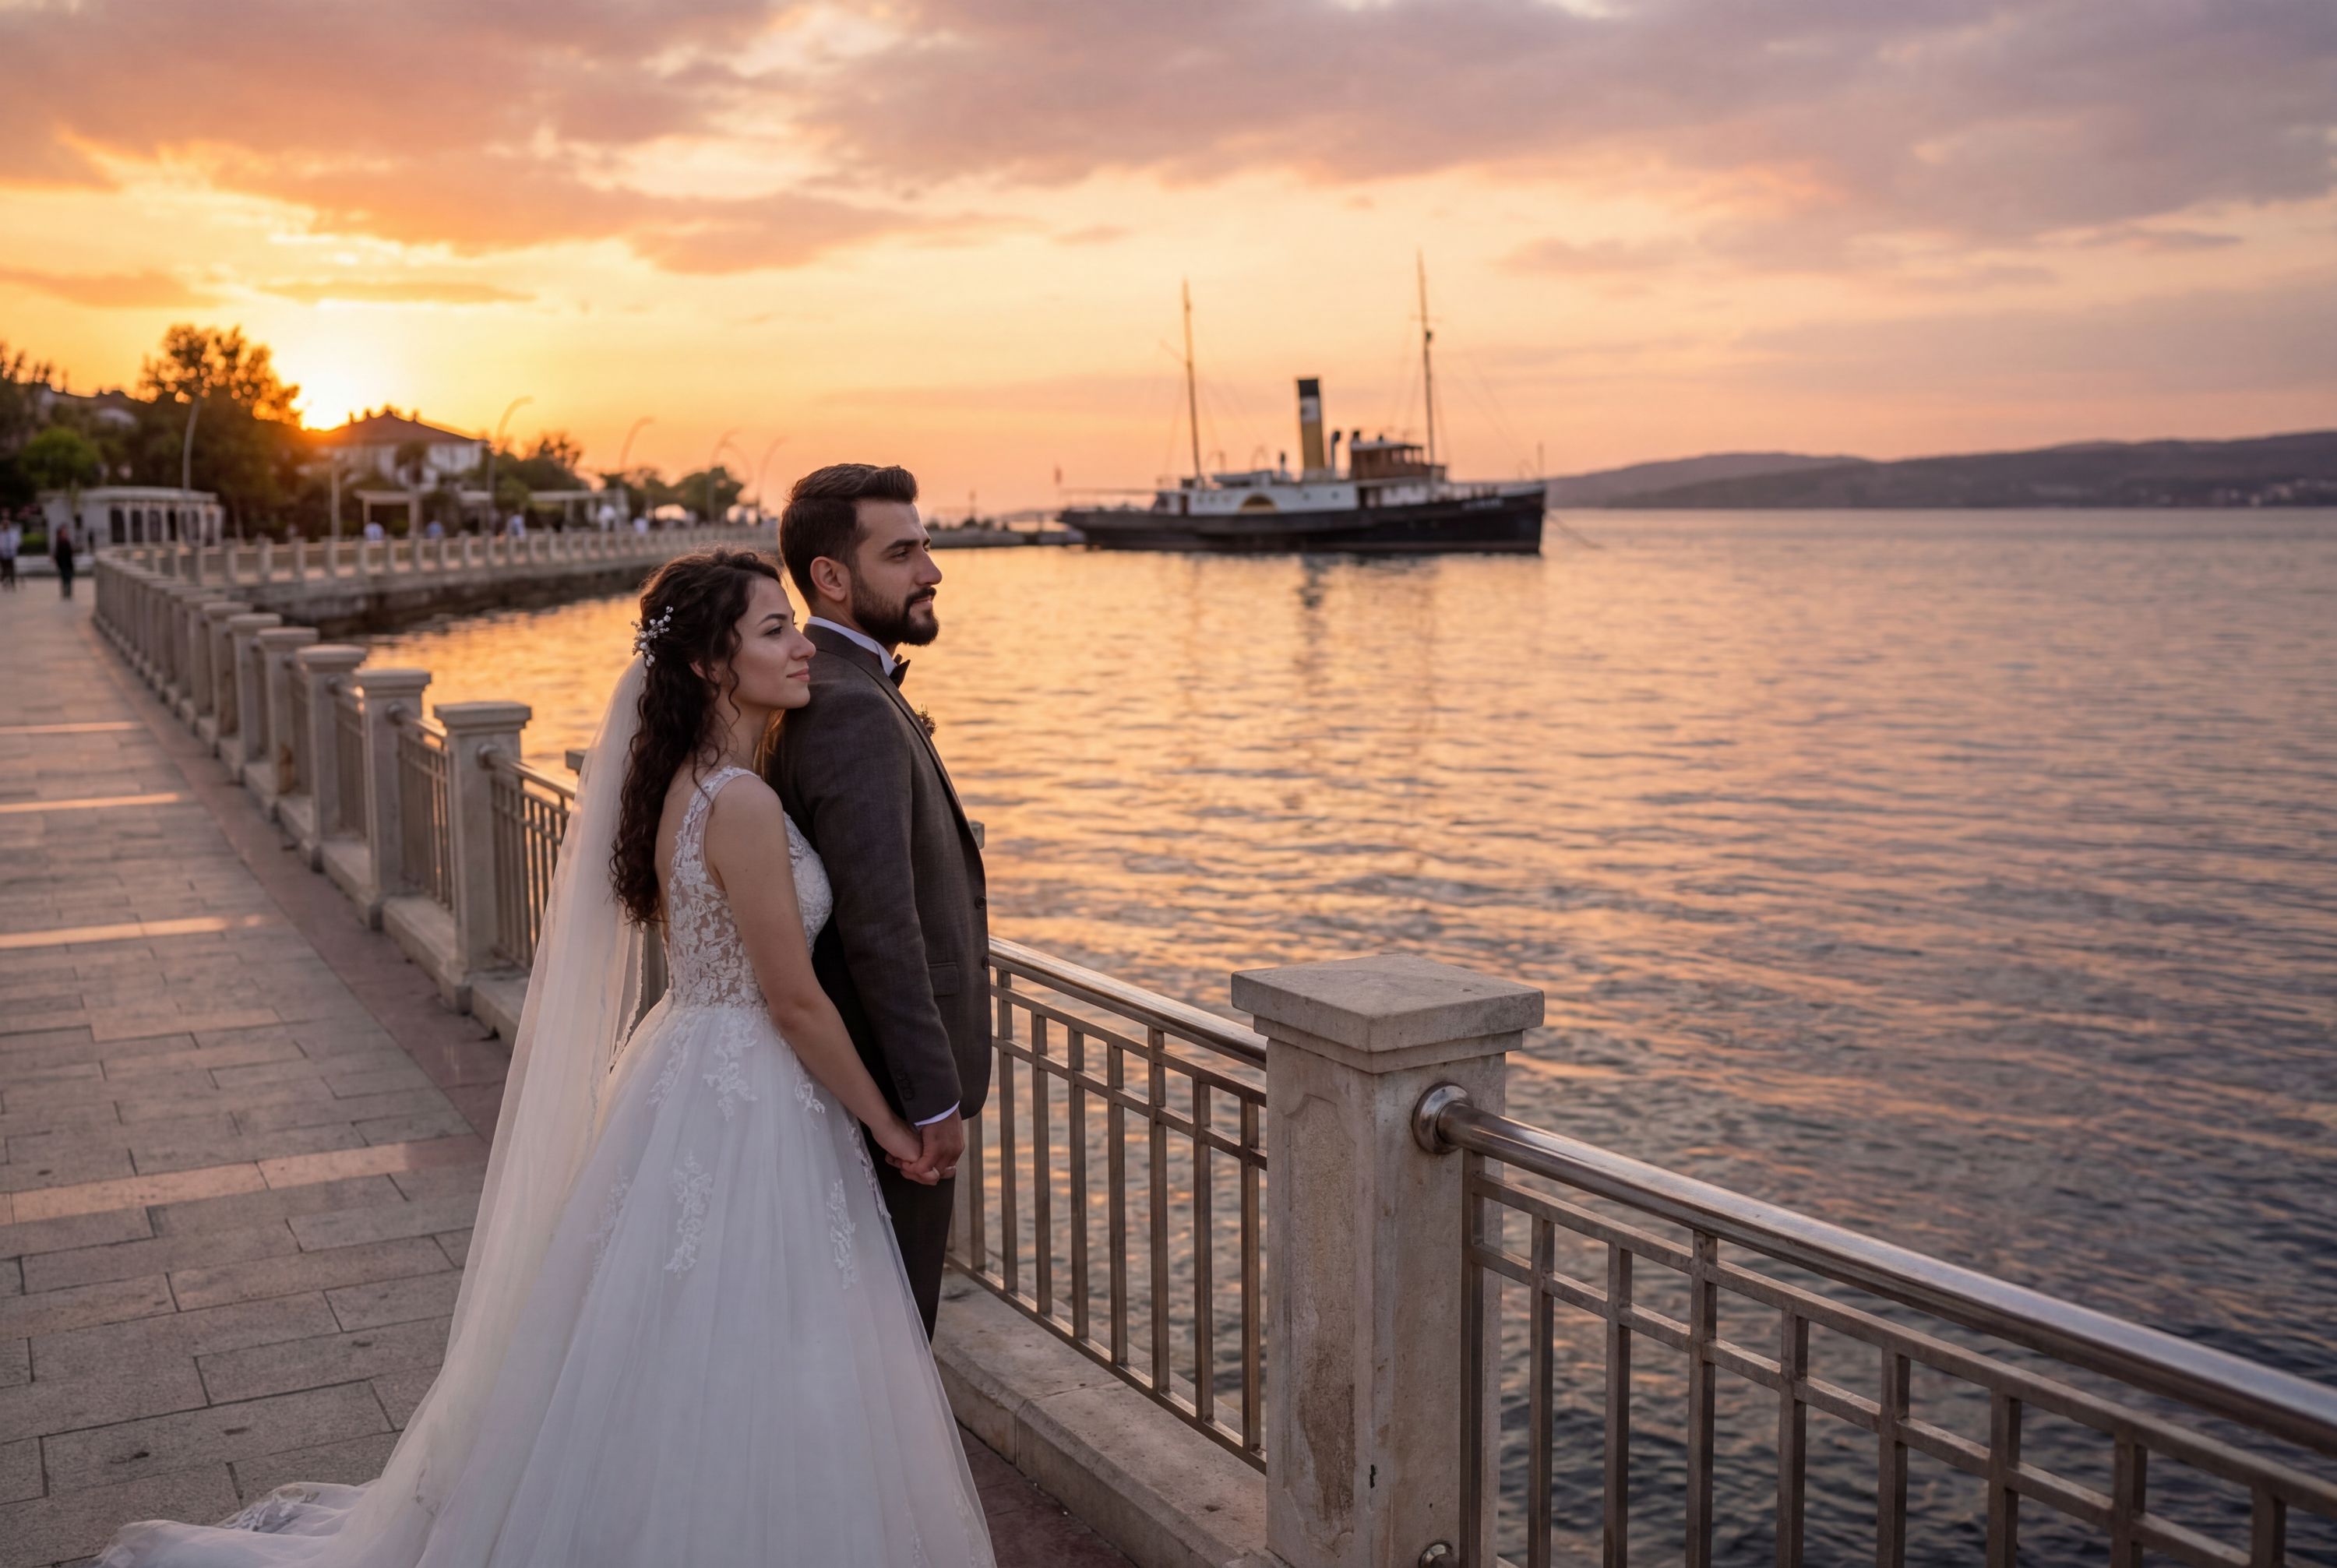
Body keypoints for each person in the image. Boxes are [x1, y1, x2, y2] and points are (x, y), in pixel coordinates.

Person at [97, 548, 996, 1567]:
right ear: (711, 662)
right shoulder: (740, 803)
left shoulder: (687, 789)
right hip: (755, 1085)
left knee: (671, 1340)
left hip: (692, 1068)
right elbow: (791, 998)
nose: (800, 648)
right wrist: (888, 1119)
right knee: (758, 1341)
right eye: (774, 629)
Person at [769, 463, 989, 1337]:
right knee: (888, 1339)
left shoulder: (828, 687)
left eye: (926, 546)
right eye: (902, 553)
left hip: (866, 1080)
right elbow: (880, 925)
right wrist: (931, 1101)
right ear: (831, 575)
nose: (930, 570)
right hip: (891, 1092)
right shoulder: (847, 706)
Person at [51, 521, 75, 597]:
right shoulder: (60, 542)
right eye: (64, 532)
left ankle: (68, 593)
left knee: (68, 578)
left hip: (68, 564)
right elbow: (58, 554)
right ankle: (66, 592)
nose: (66, 533)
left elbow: (70, 553)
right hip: (63, 564)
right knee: (65, 578)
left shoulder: (66, 542)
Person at [0, 515, 19, 590]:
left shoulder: (13, 533)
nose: (5, 526)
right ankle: (4, 581)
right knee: (4, 569)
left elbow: (16, 542)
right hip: (2, 554)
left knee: (11, 569)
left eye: (6, 524)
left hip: (11, 554)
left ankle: (12, 582)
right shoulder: (1, 534)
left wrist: (14, 547)